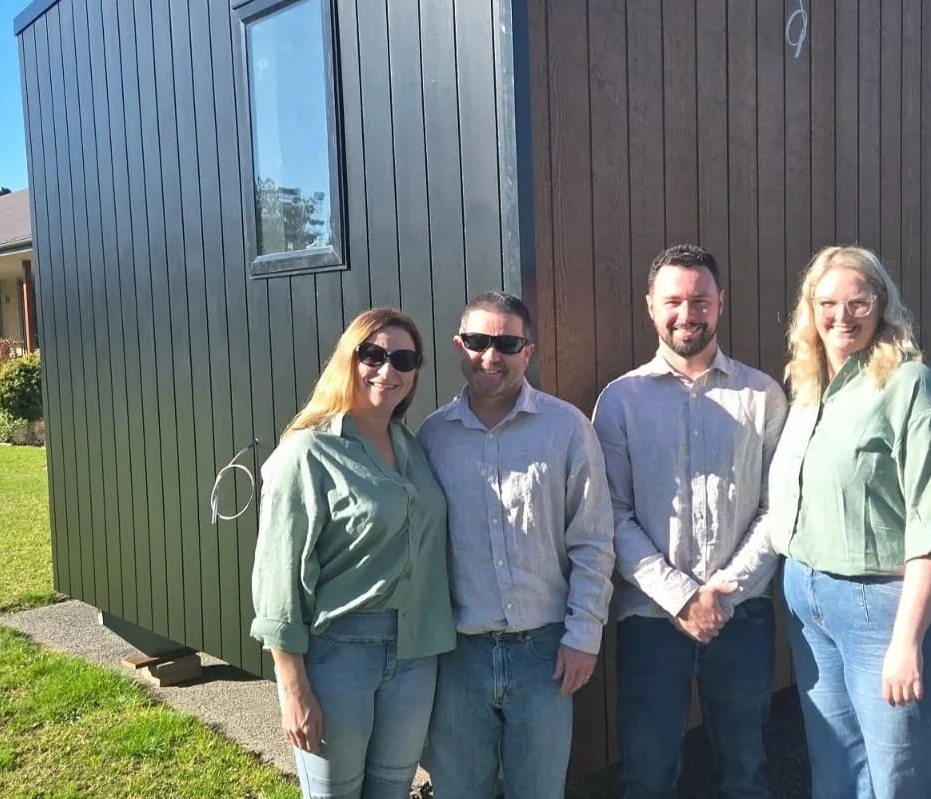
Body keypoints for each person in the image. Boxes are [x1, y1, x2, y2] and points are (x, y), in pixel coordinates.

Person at [720, 245, 931, 798]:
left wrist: (907, 640)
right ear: (809, 309)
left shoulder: (911, 388)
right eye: (827, 302)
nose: (841, 316)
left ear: (883, 305)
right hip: (809, 599)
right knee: (836, 769)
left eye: (859, 302)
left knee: (904, 776)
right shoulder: (808, 391)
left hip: (887, 607)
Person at [591, 244, 788, 799]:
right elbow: (611, 515)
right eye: (673, 300)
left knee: (746, 770)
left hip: (741, 615)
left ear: (721, 304)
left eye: (700, 300)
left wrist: (723, 594)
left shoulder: (763, 395)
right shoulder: (619, 401)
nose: (687, 313)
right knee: (647, 776)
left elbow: (778, 508)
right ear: (650, 306)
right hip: (650, 619)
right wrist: (682, 596)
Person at [249, 308, 455, 799]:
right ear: (349, 358)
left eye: (403, 358)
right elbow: (279, 576)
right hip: (339, 656)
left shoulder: (414, 446)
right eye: (374, 354)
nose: (388, 370)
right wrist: (292, 687)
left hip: (415, 654)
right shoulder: (307, 453)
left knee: (391, 789)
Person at [418, 291, 616, 799]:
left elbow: (592, 541)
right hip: (459, 655)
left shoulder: (567, 428)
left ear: (528, 351)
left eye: (507, 342)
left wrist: (583, 636)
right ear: (459, 346)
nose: (491, 356)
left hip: (545, 654)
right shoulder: (432, 437)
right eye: (480, 341)